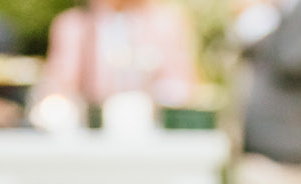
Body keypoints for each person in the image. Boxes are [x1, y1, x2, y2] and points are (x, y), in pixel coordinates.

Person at [37, 0, 200, 111]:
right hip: (90, 129)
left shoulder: (165, 22)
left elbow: (181, 86)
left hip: (150, 129)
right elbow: (58, 83)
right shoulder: (72, 25)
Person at [232, 0, 301, 169]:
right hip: (260, 141)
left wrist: (272, 22)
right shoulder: (266, 12)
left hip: (288, 143)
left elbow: (293, 62)